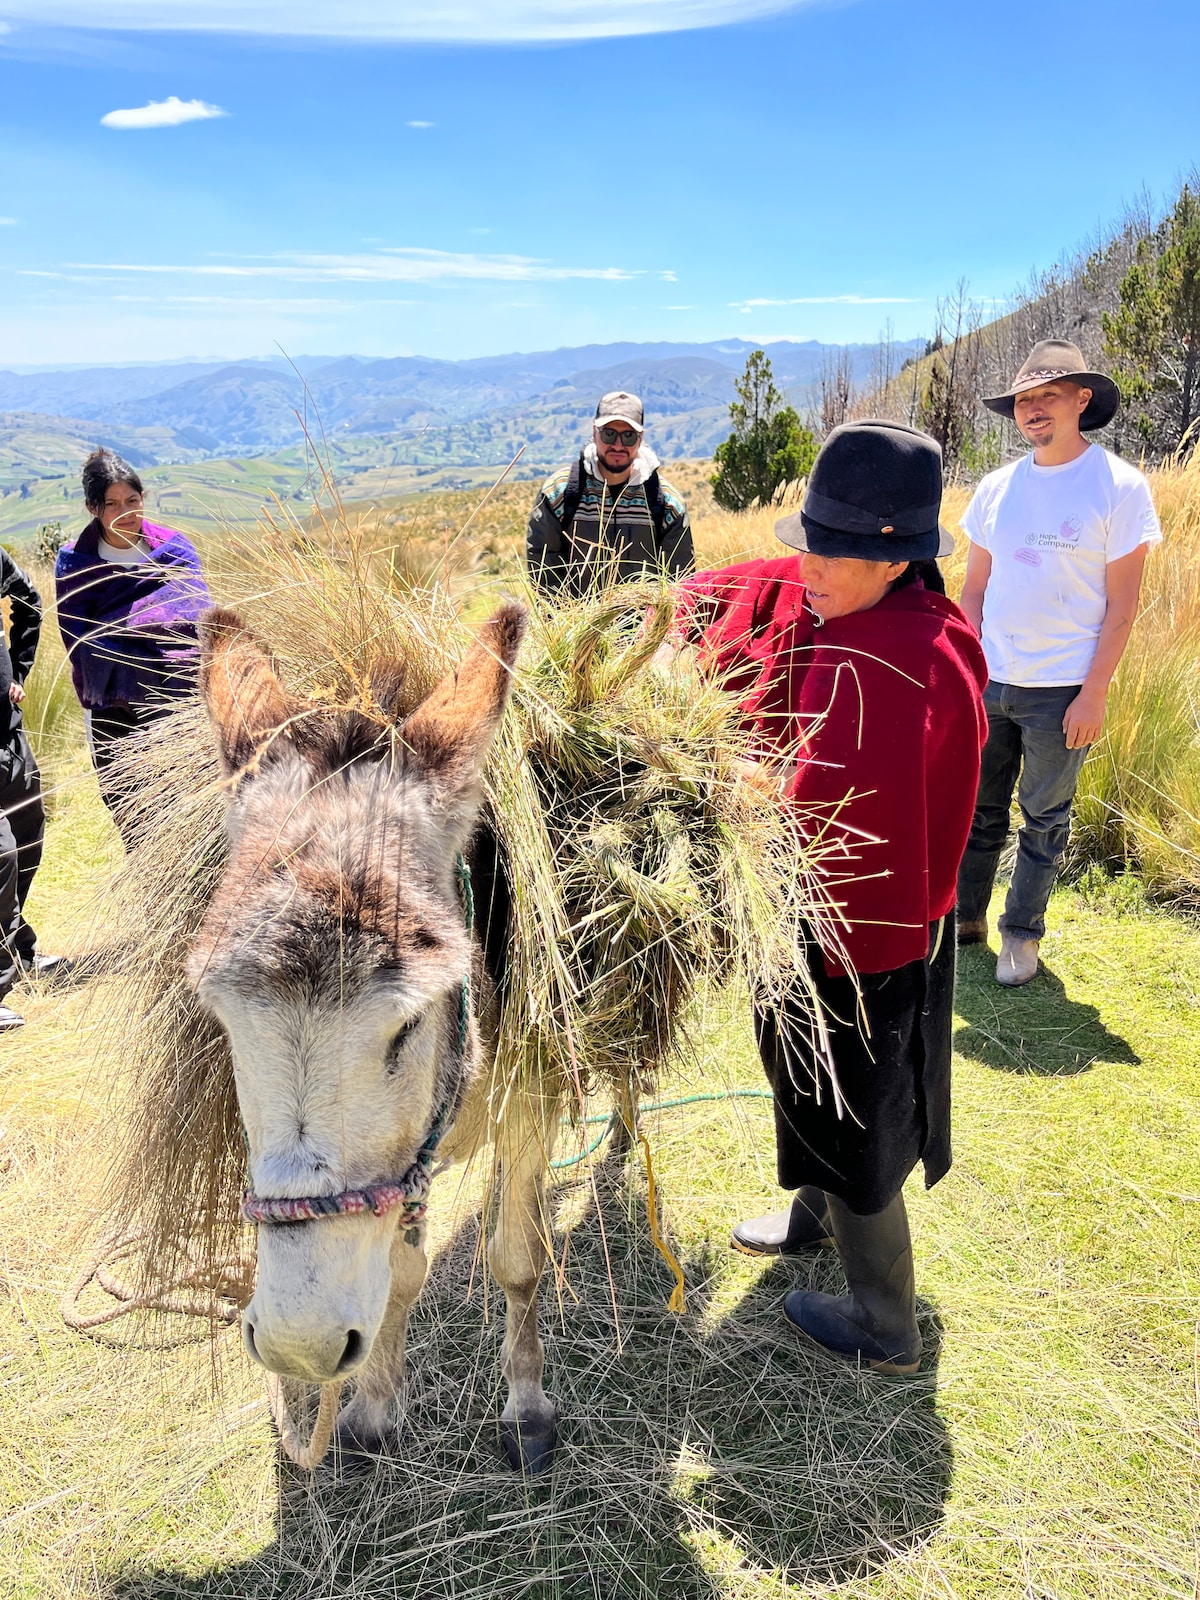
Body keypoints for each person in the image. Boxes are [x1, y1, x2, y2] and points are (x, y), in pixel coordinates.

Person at [671, 421, 987, 1374]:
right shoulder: (842, 608)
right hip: (803, 929)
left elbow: (828, 819)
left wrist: (713, 789)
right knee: (805, 1078)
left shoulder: (905, 663)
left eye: (835, 552)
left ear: (897, 563)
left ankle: (886, 1324)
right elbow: (739, 596)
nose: (808, 567)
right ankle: (812, 1215)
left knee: (856, 1111)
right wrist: (654, 608)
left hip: (862, 946)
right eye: (809, 541)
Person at [955, 340, 1162, 986]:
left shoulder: (1120, 487)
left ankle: (1022, 936)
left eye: (1049, 395)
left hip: (1061, 689)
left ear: (1083, 400)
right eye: (1024, 398)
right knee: (979, 806)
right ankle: (966, 917)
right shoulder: (995, 488)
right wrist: (965, 669)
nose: (1034, 408)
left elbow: (1124, 607)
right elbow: (974, 590)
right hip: (991, 679)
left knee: (1044, 818)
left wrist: (1094, 692)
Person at [55, 449, 212, 842]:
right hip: (113, 706)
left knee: (188, 809)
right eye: (111, 504)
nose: (125, 512)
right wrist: (141, 635)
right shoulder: (76, 562)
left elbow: (198, 619)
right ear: (92, 508)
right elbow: (81, 644)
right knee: (132, 813)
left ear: (144, 499)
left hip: (177, 698)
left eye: (132, 500)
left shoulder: (174, 550)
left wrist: (129, 631)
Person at [527, 390, 694, 595]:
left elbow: (681, 583)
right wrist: (563, 623)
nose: (618, 445)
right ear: (594, 433)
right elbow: (543, 569)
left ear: (640, 439)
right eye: (609, 433)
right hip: (576, 623)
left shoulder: (668, 503)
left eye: (628, 436)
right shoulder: (559, 493)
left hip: (647, 625)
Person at [0, 549, 60, 1031]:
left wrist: (17, 672)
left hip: (8, 732)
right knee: (0, 856)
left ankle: (15, 947)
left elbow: (30, 600)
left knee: (28, 834)